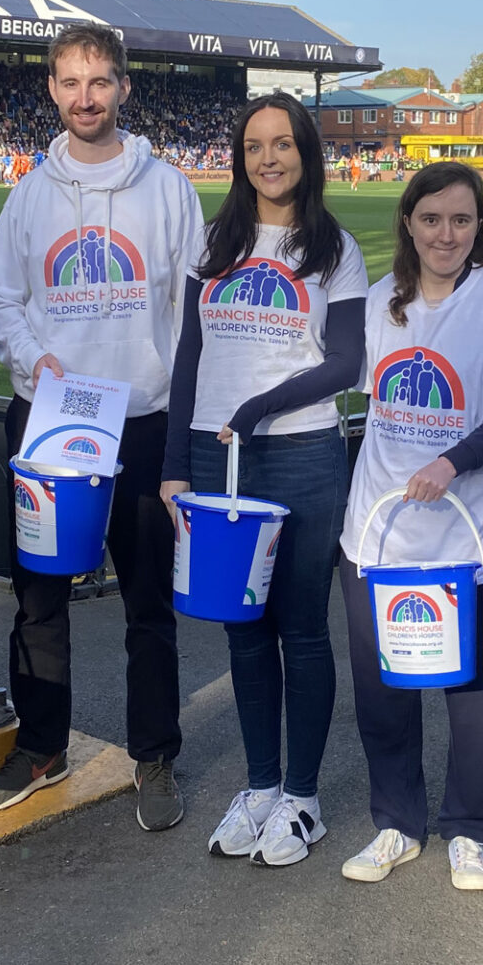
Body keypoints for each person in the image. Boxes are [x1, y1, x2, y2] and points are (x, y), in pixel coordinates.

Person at [0, 23, 203, 830]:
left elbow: (192, 311)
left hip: (141, 423)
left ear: (124, 88)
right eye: (71, 82)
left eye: (100, 81)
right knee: (39, 598)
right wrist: (36, 363)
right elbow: (1, 299)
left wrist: (180, 421)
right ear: (51, 88)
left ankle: (156, 756)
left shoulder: (169, 188)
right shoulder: (31, 193)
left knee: (148, 605)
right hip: (50, 425)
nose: (85, 97)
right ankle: (41, 746)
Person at [160, 94, 367, 866]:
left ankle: (303, 798)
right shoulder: (214, 240)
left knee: (301, 630)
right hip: (218, 459)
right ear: (239, 156)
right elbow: (188, 354)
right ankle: (259, 785)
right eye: (254, 145)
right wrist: (176, 466)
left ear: (307, 154)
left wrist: (263, 406)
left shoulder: (333, 248)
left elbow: (347, 362)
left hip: (302, 454)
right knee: (242, 629)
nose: (269, 158)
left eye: (283, 144)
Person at [336, 162, 483, 891]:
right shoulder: (379, 303)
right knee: (383, 694)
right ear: (409, 225)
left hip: (473, 542)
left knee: (474, 699)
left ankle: (469, 830)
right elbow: (333, 376)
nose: (445, 234)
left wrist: (451, 463)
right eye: (430, 219)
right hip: (378, 538)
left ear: (479, 227)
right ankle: (396, 822)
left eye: (460, 220)